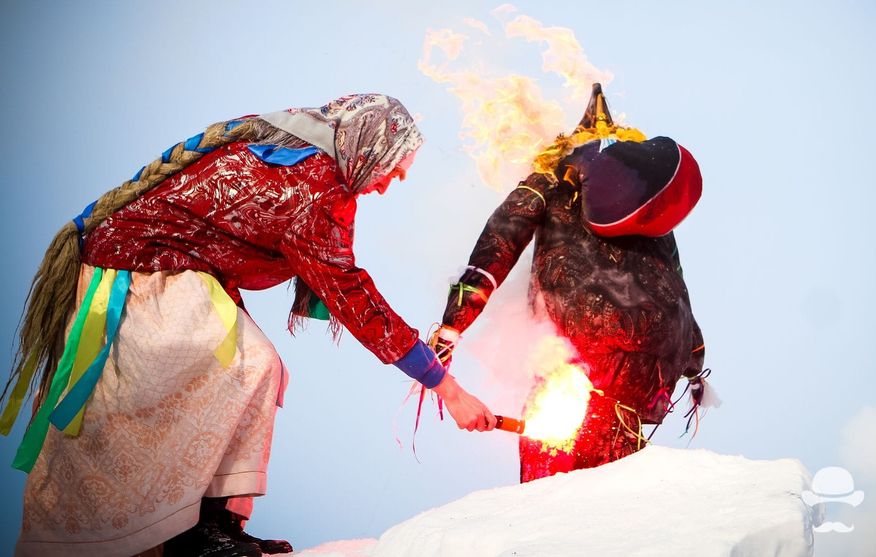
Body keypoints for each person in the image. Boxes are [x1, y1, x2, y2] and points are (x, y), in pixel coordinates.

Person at [0, 94, 495, 557]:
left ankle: (213, 523)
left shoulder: (304, 154)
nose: (387, 183)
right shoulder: (312, 183)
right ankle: (188, 533)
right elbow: (350, 293)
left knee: (259, 367)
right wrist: (444, 385)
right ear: (369, 145)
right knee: (244, 365)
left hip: (178, 271)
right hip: (138, 268)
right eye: (393, 170)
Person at [433, 83, 708, 482]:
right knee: (608, 495)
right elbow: (675, 290)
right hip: (643, 377)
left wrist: (451, 327)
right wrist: (695, 364)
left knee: (551, 496)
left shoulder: (549, 180)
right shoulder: (649, 211)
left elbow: (497, 247)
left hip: (575, 359)